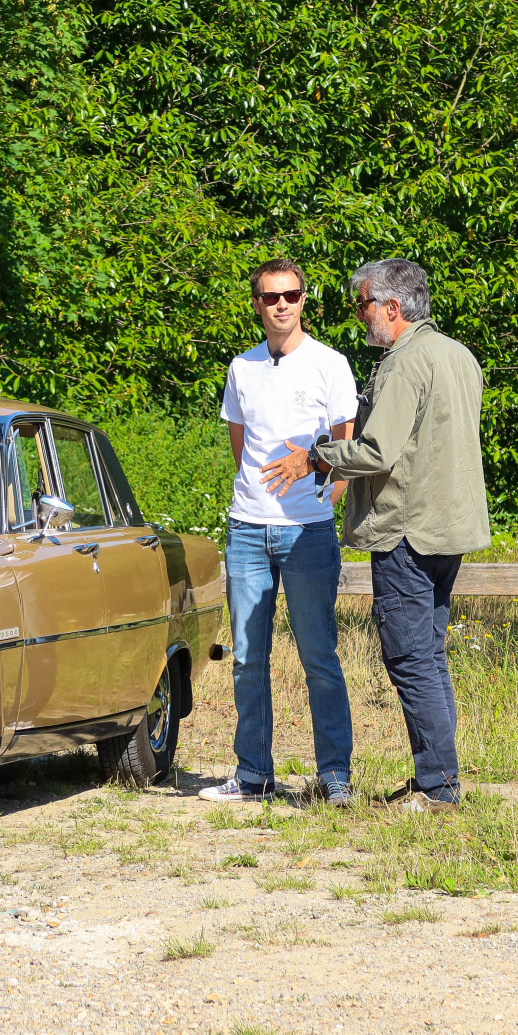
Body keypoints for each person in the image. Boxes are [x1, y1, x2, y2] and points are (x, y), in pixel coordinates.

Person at [260, 258, 490, 811]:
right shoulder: (459, 355)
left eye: (362, 304)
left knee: (410, 656)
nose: (359, 315)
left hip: (406, 529)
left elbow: (377, 451)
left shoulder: (405, 363)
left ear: (392, 307)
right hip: (448, 527)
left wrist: (315, 458)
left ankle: (438, 788)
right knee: (429, 655)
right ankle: (438, 777)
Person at [199, 259, 358, 806]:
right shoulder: (240, 368)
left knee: (319, 655)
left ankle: (334, 776)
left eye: (291, 295)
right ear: (257, 305)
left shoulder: (330, 364)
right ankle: (253, 776)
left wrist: (323, 502)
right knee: (247, 656)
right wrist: (256, 499)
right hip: (247, 529)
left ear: (305, 300)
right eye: (271, 297)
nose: (282, 305)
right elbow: (240, 446)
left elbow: (347, 446)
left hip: (307, 532)